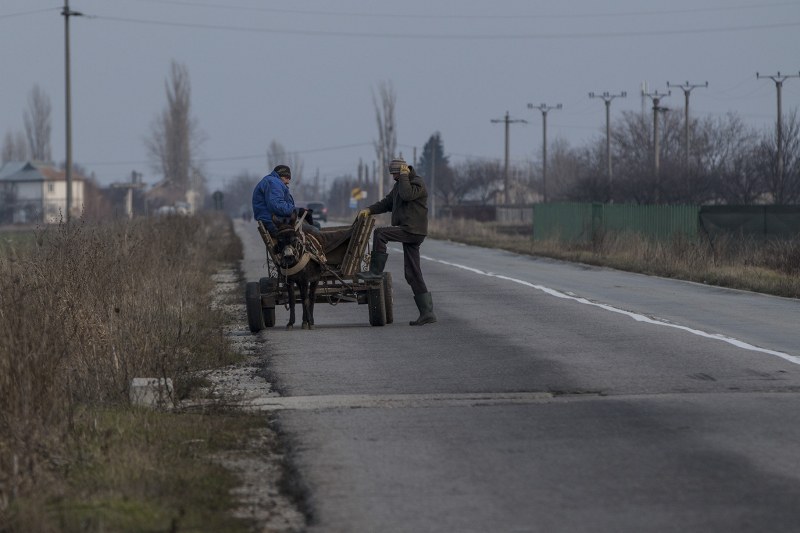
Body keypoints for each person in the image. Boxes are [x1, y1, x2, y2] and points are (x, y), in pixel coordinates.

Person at [357, 157, 437, 326]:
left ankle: (375, 272)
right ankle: (427, 313)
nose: (393, 177)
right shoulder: (400, 185)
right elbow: (387, 203)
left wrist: (404, 177)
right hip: (410, 230)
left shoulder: (416, 183)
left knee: (380, 233)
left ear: (402, 171)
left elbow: (407, 196)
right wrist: (369, 210)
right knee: (412, 273)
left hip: (413, 230)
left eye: (395, 173)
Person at [252, 164, 319, 236]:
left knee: (316, 224)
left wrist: (299, 211)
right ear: (280, 175)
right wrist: (297, 211)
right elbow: (277, 205)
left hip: (278, 219)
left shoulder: (273, 182)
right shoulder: (274, 183)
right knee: (314, 230)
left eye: (289, 178)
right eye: (287, 177)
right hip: (275, 222)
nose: (288, 181)